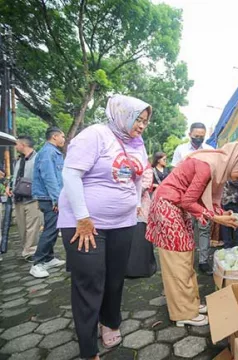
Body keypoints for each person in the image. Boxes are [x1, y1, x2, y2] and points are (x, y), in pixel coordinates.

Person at [57, 95, 151, 360]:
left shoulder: (137, 144)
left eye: (145, 121)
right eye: (138, 119)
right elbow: (71, 174)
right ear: (121, 114)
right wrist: (83, 217)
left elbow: (136, 176)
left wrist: (134, 203)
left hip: (123, 224)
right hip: (85, 225)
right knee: (89, 281)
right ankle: (88, 349)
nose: (142, 126)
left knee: (115, 278)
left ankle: (110, 321)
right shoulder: (95, 135)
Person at [146, 142, 238, 327]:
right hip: (167, 206)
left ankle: (190, 305)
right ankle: (183, 313)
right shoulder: (207, 166)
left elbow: (198, 199)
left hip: (176, 207)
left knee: (187, 256)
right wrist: (217, 218)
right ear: (234, 161)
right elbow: (189, 200)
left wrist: (220, 213)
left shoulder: (216, 166)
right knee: (178, 260)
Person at [172, 122, 214, 275]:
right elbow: (174, 172)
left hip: (203, 196)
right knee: (186, 228)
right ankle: (186, 261)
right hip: (184, 196)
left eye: (202, 137)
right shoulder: (181, 150)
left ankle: (203, 261)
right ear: (189, 134)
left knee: (204, 228)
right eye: (196, 136)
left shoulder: (210, 151)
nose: (199, 139)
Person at [30, 126, 66, 278]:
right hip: (49, 198)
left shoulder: (52, 152)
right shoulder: (48, 153)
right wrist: (57, 200)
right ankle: (37, 263)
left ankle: (49, 258)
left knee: (52, 227)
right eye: (62, 136)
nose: (64, 139)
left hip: (49, 197)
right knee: (51, 230)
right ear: (54, 137)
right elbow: (49, 177)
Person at [6, 136, 43, 261]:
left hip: (33, 198)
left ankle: (30, 251)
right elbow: (14, 176)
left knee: (32, 227)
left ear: (23, 145)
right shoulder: (18, 160)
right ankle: (26, 248)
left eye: (17, 144)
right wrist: (9, 186)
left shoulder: (38, 158)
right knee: (21, 227)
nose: (15, 147)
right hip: (18, 198)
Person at [125, 165, 157, 278]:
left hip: (141, 205)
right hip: (124, 206)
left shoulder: (145, 166)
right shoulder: (122, 161)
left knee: (141, 234)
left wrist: (128, 191)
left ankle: (142, 268)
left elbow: (146, 184)